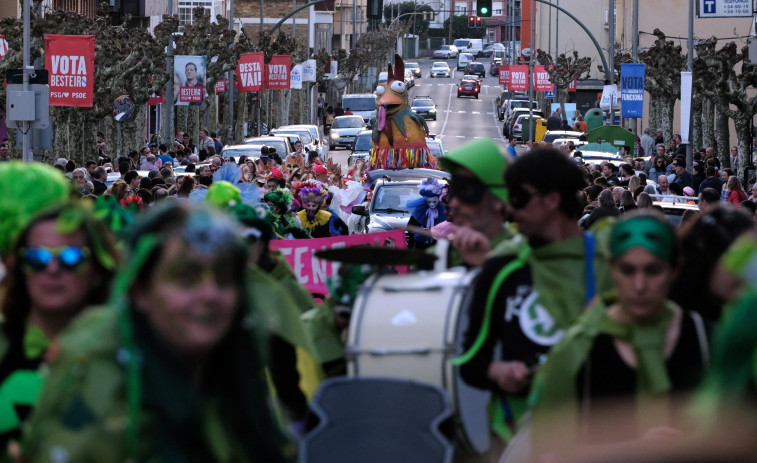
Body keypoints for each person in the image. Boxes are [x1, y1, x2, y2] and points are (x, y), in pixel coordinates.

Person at [22, 202, 293, 462]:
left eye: (224, 278)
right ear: (140, 291)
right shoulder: (105, 403)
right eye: (186, 278)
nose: (209, 294)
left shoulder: (244, 381)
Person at [459, 147, 613, 441]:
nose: (511, 209)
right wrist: (497, 371)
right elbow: (470, 362)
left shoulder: (612, 264)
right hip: (515, 436)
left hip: (596, 441)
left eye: (519, 198)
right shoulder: (502, 265)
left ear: (552, 200)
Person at [530, 212, 711, 459]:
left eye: (653, 270)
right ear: (611, 267)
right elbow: (549, 451)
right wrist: (635, 449)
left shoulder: (704, 337)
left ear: (675, 269)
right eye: (627, 270)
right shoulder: (577, 349)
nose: (639, 285)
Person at [0, 203, 118, 455]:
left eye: (71, 257)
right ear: (21, 269)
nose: (52, 269)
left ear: (97, 271)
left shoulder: (127, 358)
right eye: (37, 258)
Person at [437, 138, 511, 268]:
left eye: (466, 191)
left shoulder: (528, 259)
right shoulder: (438, 259)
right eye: (454, 191)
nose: (454, 204)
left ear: (498, 199)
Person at [406, 178, 447, 249]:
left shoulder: (443, 212)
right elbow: (410, 229)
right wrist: (419, 232)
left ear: (438, 200)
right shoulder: (419, 211)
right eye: (429, 202)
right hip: (420, 248)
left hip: (437, 247)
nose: (431, 205)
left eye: (434, 202)